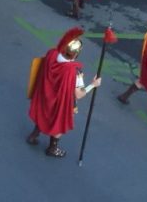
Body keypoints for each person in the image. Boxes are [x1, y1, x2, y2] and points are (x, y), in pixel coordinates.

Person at [27, 27, 101, 158]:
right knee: (59, 122)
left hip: (45, 95)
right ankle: (52, 148)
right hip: (60, 101)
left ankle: (33, 136)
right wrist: (93, 85)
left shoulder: (52, 54)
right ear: (76, 54)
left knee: (44, 114)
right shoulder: (74, 72)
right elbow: (78, 94)